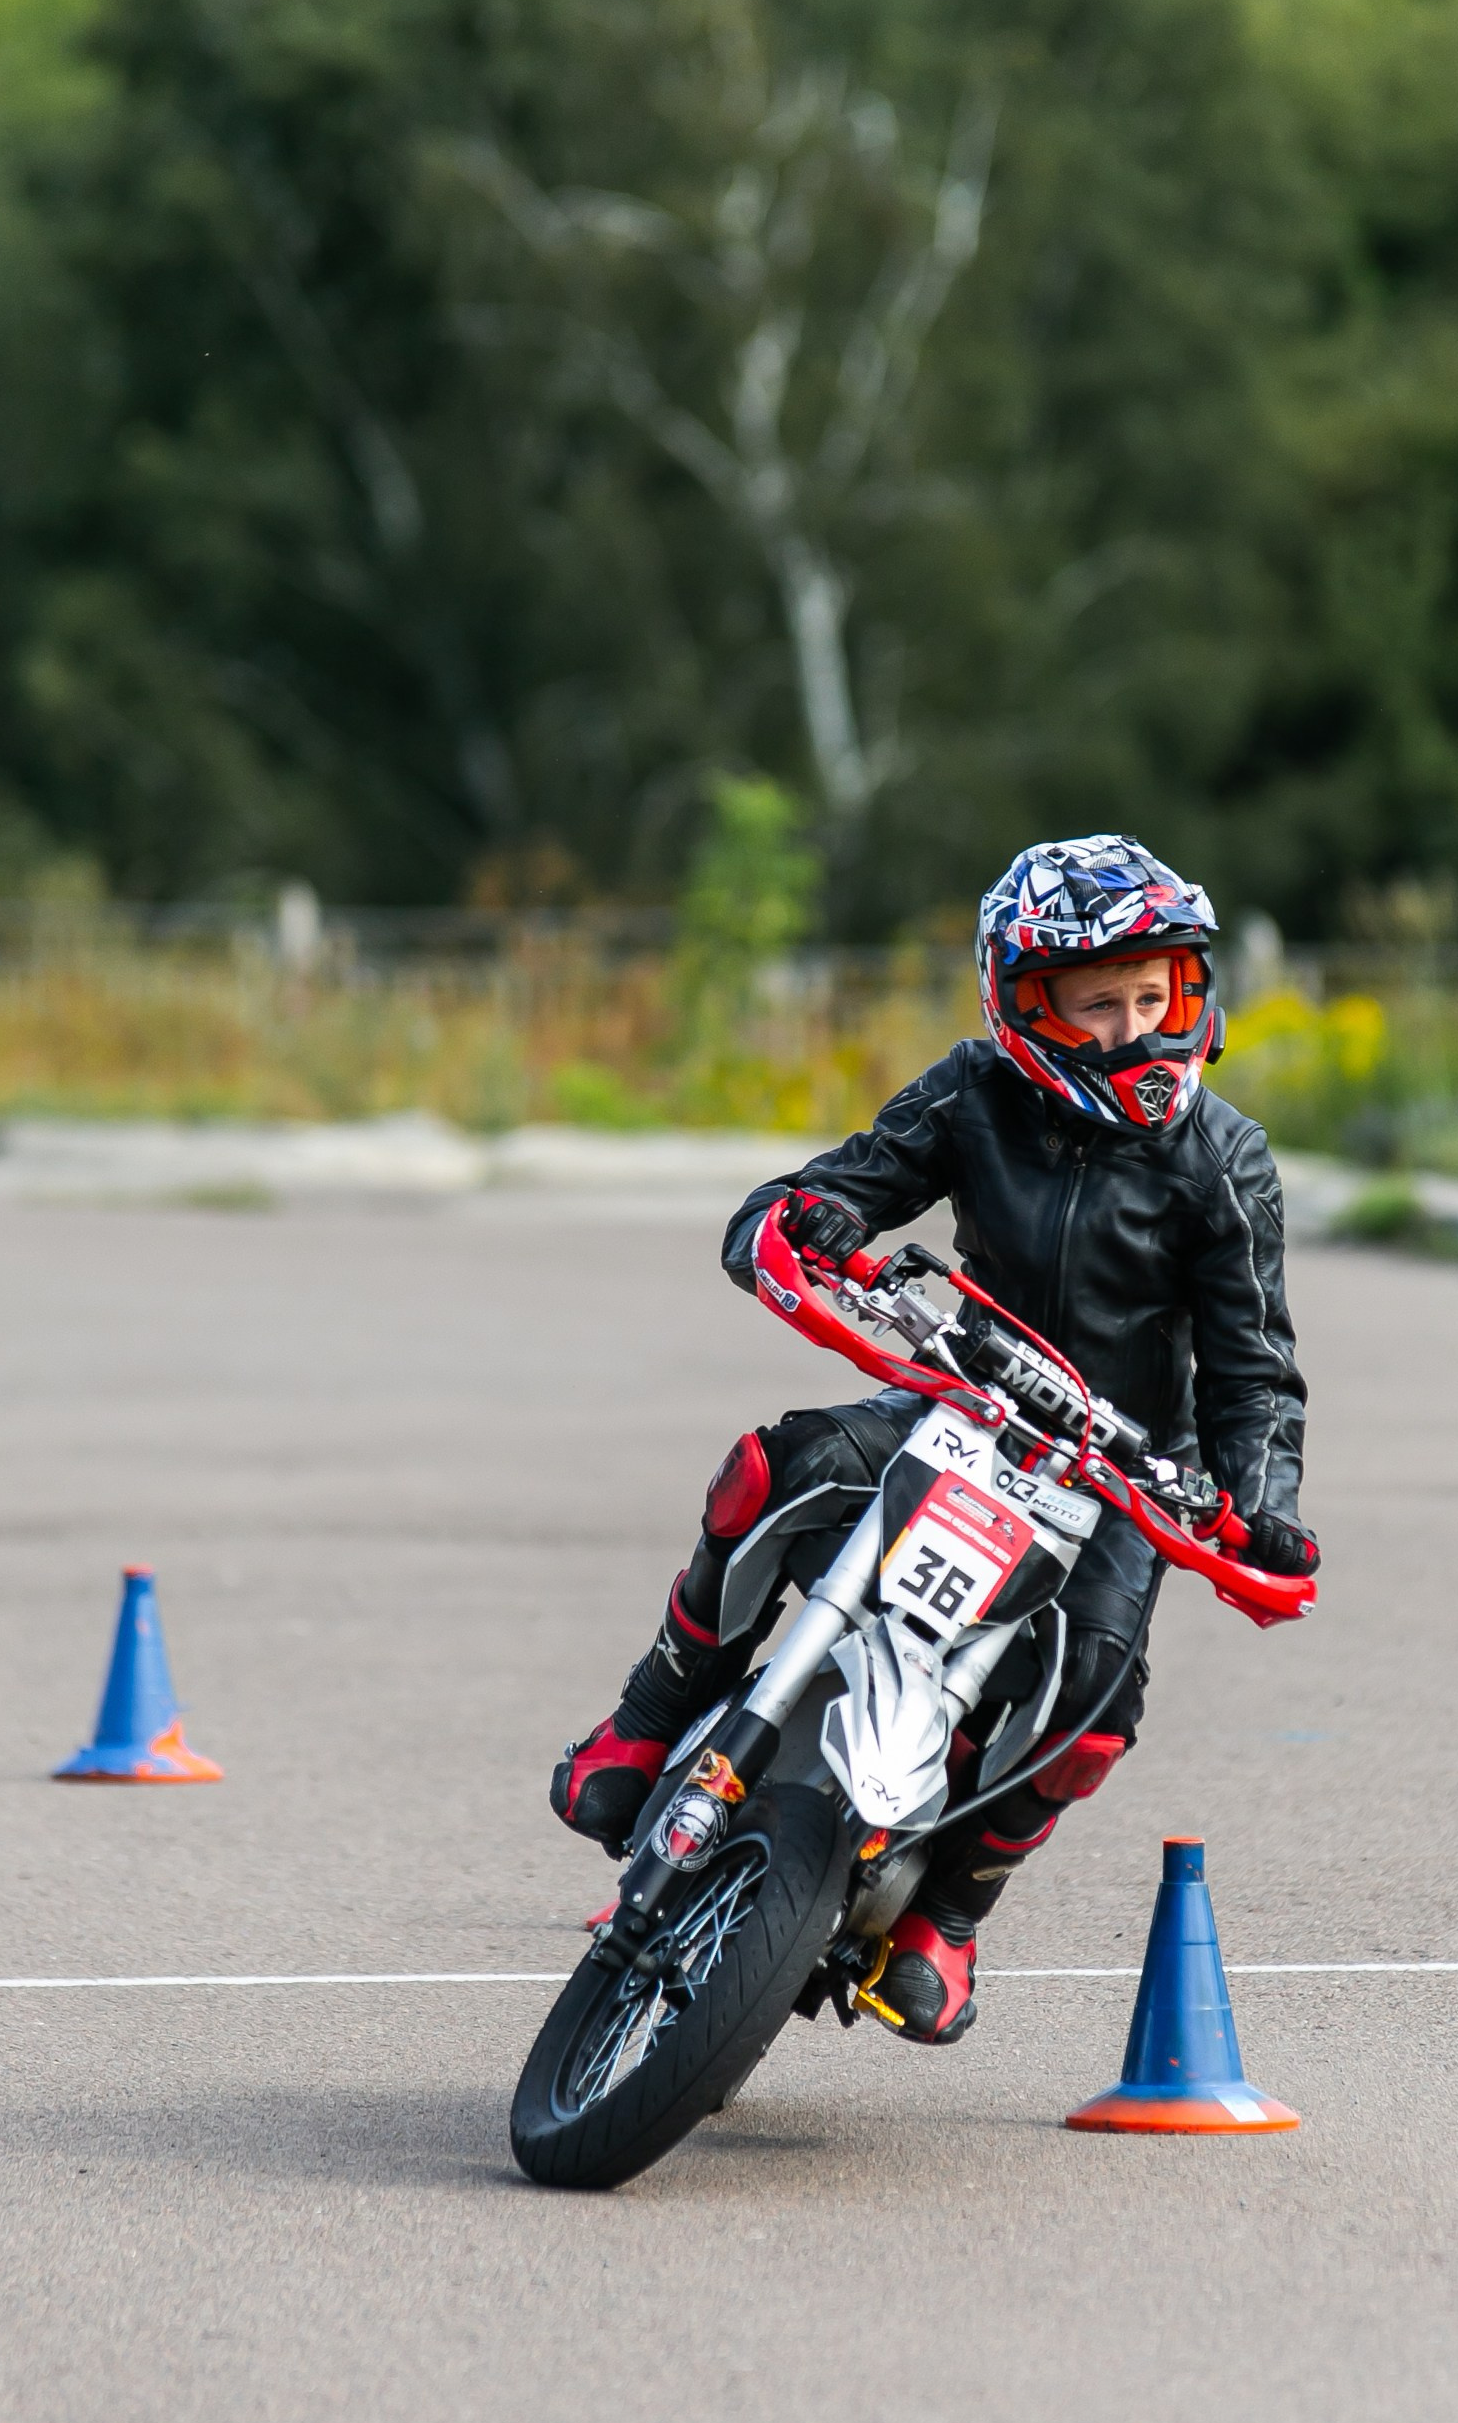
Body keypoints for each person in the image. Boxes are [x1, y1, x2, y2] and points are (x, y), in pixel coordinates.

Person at [551, 832, 1315, 2046]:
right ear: (1023, 1004)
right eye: (1096, 1004)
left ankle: (947, 1916)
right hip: (957, 1396)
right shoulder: (971, 1090)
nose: (1132, 1028)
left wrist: (1259, 1500)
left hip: (1119, 1475)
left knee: (1099, 1703)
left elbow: (1252, 1368)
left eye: (1152, 996)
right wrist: (811, 1219)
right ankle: (647, 1718)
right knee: (770, 1469)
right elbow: (854, 1180)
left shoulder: (1224, 1158)